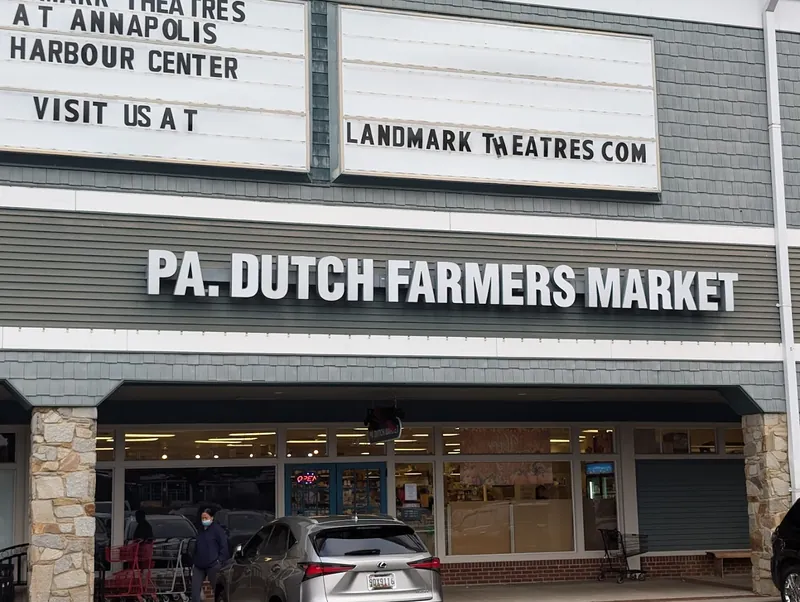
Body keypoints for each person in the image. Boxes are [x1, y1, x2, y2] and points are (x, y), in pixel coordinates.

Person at [191, 508, 229, 602]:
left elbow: (224, 546)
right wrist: (194, 560)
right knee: (195, 590)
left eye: (206, 517)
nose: (204, 520)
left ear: (211, 518)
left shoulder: (217, 530)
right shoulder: (200, 530)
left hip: (213, 565)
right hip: (199, 565)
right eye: (202, 518)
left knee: (217, 590)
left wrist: (219, 561)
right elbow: (196, 545)